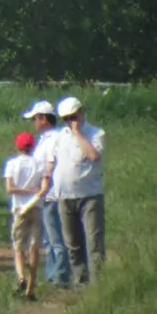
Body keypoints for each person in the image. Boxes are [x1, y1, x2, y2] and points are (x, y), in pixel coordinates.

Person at [49, 96, 106, 285]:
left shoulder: (96, 133)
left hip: (89, 195)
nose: (69, 122)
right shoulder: (59, 136)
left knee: (93, 242)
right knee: (72, 243)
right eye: (65, 119)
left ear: (81, 113)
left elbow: (93, 155)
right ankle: (81, 280)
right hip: (65, 195)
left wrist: (77, 133)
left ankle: (98, 282)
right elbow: (53, 161)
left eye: (72, 117)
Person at [22, 101, 67, 287]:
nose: (33, 122)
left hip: (52, 192)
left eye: (35, 118)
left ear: (43, 119)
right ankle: (52, 274)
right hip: (45, 192)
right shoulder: (46, 138)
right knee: (49, 237)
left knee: (55, 236)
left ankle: (59, 276)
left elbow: (50, 164)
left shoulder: (54, 138)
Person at [4, 129, 48, 299]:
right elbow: (44, 187)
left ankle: (21, 277)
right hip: (36, 208)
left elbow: (10, 189)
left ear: (18, 146)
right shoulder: (39, 164)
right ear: (32, 146)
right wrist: (34, 192)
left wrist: (24, 191)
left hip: (20, 210)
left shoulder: (12, 164)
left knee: (18, 246)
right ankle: (31, 286)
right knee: (34, 247)